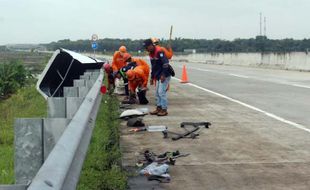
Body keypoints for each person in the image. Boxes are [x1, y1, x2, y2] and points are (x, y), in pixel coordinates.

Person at [143, 38, 172, 116]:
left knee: (161, 92)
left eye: (147, 47)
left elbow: (166, 63)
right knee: (157, 93)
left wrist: (163, 75)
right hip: (159, 75)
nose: (146, 49)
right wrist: (152, 77)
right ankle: (158, 108)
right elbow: (154, 66)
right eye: (145, 48)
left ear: (151, 45)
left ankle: (164, 109)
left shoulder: (159, 51)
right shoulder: (151, 54)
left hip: (165, 74)